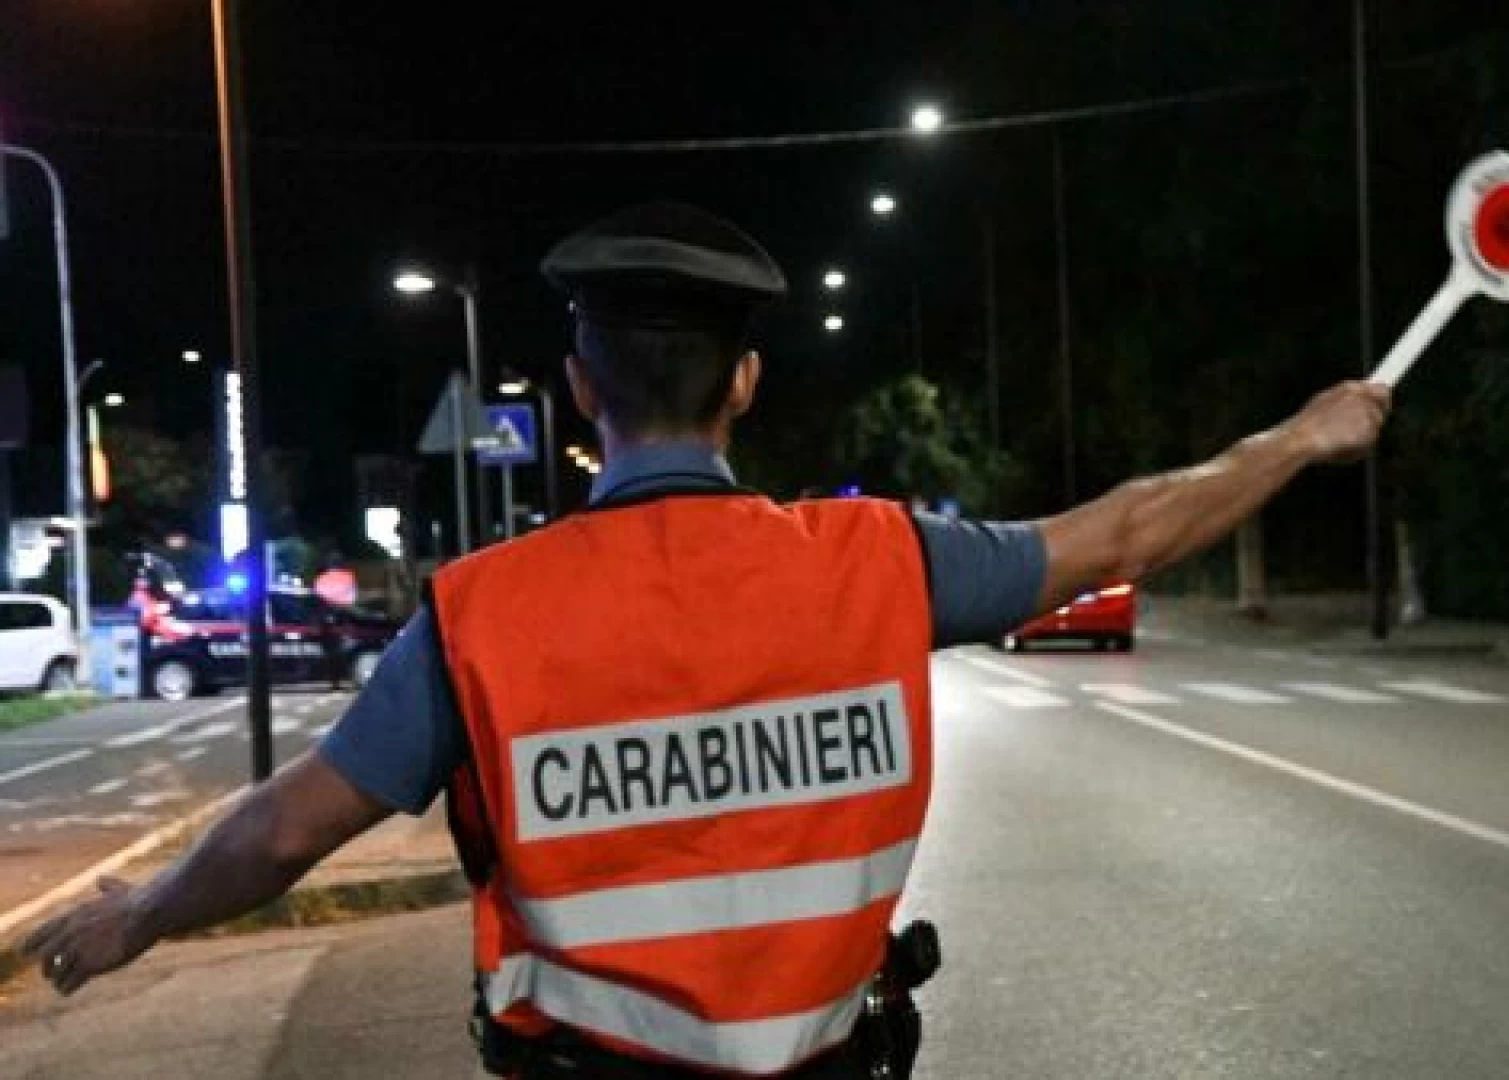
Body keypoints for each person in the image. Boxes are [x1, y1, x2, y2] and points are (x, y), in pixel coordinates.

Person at [22, 202, 1389, 1078]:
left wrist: (138, 915)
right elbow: (1130, 531)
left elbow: (279, 833)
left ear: (576, 394)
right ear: (746, 382)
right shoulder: (881, 561)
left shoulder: (481, 614)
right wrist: (1302, 437)